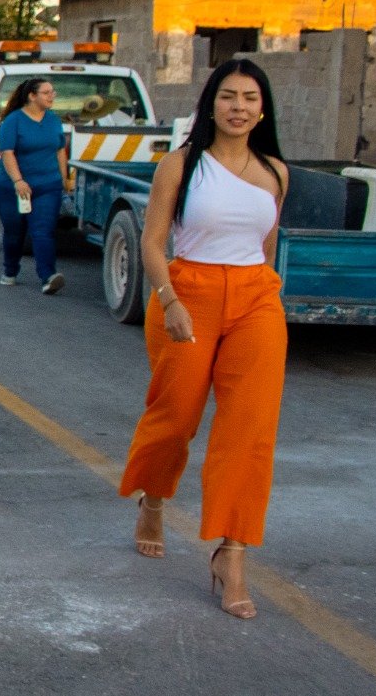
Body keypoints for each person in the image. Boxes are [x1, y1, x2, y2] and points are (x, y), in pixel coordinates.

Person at [120, 59, 289, 621]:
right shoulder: (181, 164)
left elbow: (265, 248)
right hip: (188, 292)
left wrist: (265, 297)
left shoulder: (275, 172)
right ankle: (152, 499)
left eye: (249, 98)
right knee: (177, 415)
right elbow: (152, 241)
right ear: (210, 105)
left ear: (262, 109)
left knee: (250, 428)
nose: (238, 107)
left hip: (256, 298)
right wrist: (169, 300)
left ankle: (232, 552)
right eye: (228, 96)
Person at [0, 78, 68, 294]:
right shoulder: (13, 121)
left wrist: (63, 179)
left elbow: (60, 150)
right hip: (12, 187)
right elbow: (7, 153)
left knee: (43, 231)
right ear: (32, 96)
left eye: (53, 92)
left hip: (47, 186)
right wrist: (18, 181)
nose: (52, 96)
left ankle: (48, 276)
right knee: (14, 232)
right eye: (46, 92)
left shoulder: (53, 121)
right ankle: (10, 270)